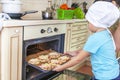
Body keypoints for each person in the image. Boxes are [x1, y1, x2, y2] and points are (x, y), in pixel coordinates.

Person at [53, 0, 120, 80]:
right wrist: (76, 52)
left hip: (105, 77)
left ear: (95, 22)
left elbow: (78, 60)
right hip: (113, 73)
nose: (88, 25)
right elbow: (92, 50)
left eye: (88, 22)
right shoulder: (106, 33)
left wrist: (60, 67)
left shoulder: (95, 37)